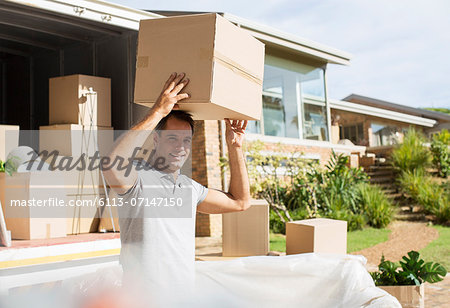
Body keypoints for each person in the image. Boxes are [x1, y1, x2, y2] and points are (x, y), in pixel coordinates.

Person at [103, 72, 251, 299]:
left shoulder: (190, 189)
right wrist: (158, 111)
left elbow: (240, 202)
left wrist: (235, 146)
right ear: (156, 139)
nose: (180, 147)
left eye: (186, 140)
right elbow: (113, 165)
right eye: (172, 138)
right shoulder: (139, 178)